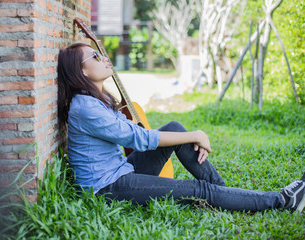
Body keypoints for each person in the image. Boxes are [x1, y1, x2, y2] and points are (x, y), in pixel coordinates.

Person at [57, 42, 305, 213]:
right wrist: (196, 134)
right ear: (81, 71)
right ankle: (283, 200)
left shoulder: (97, 99)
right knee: (198, 190)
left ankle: (227, 195)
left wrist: (187, 136)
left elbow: (129, 129)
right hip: (107, 189)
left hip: (121, 170)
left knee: (175, 128)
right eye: (95, 56)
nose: (104, 57)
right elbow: (137, 138)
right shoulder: (86, 107)